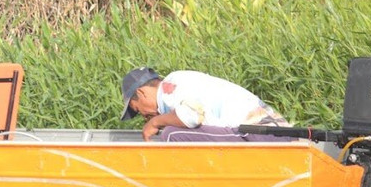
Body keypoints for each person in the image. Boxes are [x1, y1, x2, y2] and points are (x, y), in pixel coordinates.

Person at [120, 67, 292, 142]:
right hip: (272, 133)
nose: (143, 116)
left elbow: (191, 117)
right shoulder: (177, 83)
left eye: (137, 109)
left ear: (141, 93)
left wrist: (155, 122)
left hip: (262, 136)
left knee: (172, 134)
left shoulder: (169, 89)